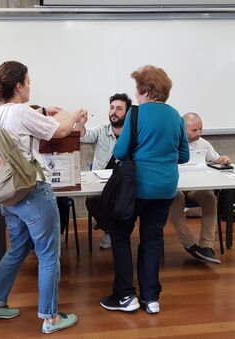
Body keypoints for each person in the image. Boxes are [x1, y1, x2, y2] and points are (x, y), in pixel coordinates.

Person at [0, 61, 83, 334]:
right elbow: (60, 130)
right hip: (33, 193)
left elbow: (40, 122)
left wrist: (46, 112)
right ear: (18, 86)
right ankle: (50, 318)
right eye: (28, 82)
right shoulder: (21, 112)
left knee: (16, 250)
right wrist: (74, 114)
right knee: (49, 255)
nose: (30, 86)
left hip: (8, 196)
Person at [100, 65, 189, 315]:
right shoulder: (175, 116)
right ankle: (151, 298)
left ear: (146, 91)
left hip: (137, 187)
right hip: (165, 188)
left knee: (120, 235)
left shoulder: (136, 115)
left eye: (138, 91)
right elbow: (183, 156)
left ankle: (125, 295)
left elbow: (119, 152)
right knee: (152, 238)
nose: (137, 95)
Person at [169, 112, 231, 265]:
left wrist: (223, 159)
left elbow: (215, 158)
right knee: (176, 199)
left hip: (196, 186)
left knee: (210, 198)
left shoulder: (203, 143)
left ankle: (206, 246)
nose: (199, 133)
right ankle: (190, 244)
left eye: (200, 129)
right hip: (176, 186)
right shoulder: (171, 142)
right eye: (194, 130)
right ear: (183, 129)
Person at [77, 93, 132, 249]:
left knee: (123, 202)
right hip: (100, 183)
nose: (113, 112)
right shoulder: (101, 130)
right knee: (92, 200)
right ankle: (109, 230)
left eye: (119, 109)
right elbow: (83, 136)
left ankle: (107, 225)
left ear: (127, 113)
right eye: (112, 108)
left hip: (123, 183)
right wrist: (81, 123)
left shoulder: (133, 134)